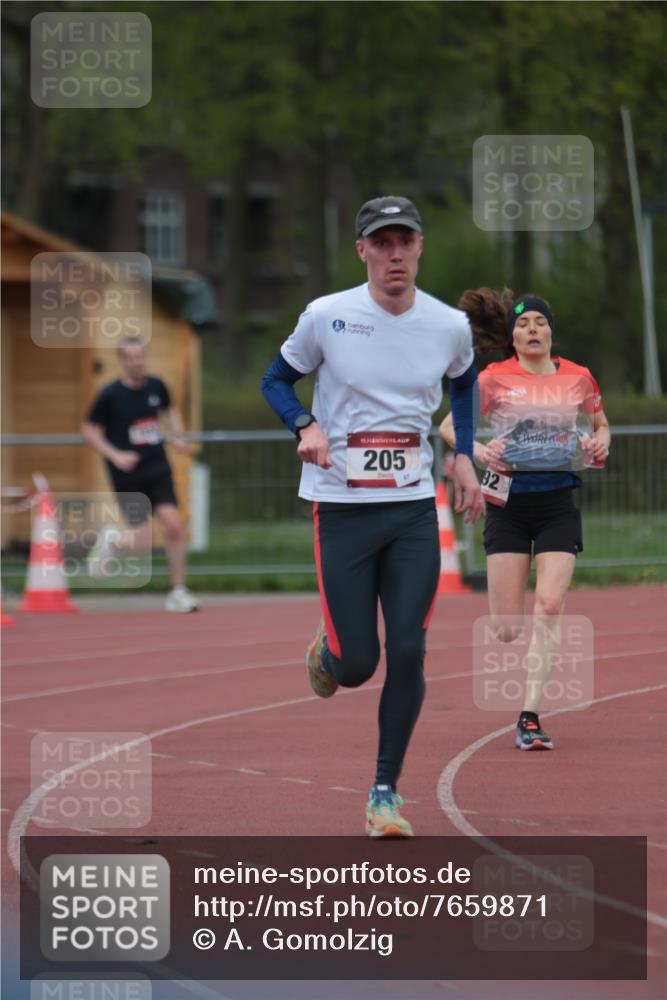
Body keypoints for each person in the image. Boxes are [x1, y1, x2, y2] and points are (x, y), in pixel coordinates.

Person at [262, 195, 483, 837]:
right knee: (358, 664)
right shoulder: (327, 317)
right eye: (381, 243)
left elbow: (464, 384)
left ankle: (384, 792)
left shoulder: (447, 325)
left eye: (404, 242)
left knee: (408, 649)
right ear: (362, 249)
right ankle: (327, 657)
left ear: (420, 247)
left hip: (413, 509)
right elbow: (275, 380)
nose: (394, 254)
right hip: (342, 507)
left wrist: (463, 456)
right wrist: (302, 422)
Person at [439, 288, 610, 749]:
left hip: (557, 502)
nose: (532, 329)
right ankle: (521, 681)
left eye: (539, 321)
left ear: (551, 330)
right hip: (507, 506)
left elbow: (600, 425)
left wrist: (600, 444)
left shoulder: (578, 377)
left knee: (550, 608)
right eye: (523, 323)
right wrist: (477, 448)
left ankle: (529, 716)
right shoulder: (493, 378)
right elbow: (449, 426)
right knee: (507, 628)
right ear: (512, 336)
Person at [81, 336, 199, 612]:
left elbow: (170, 409)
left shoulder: (157, 386)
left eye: (140, 356)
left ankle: (179, 590)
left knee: (173, 526)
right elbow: (87, 429)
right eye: (131, 357)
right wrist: (115, 455)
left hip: (157, 467)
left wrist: (178, 436)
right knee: (143, 541)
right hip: (127, 474)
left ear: (146, 357)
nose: (137, 362)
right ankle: (112, 541)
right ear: (122, 360)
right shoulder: (110, 394)